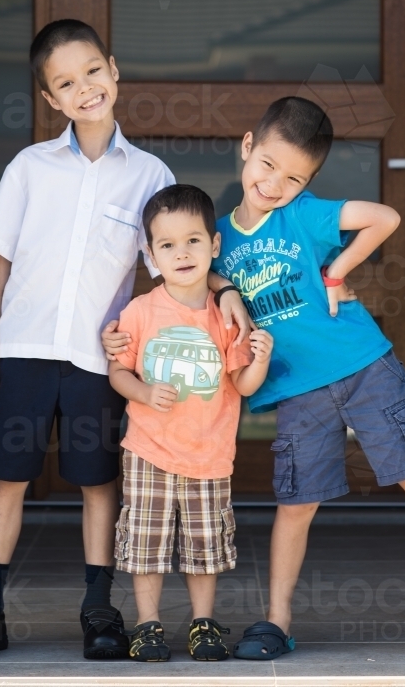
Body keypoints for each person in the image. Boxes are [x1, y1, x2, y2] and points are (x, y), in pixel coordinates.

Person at [103, 95, 405, 664]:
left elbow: (384, 219)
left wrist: (337, 270)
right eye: (267, 165)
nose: (274, 184)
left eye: (294, 177)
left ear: (309, 182)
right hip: (295, 388)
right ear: (247, 148)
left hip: (363, 365)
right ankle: (278, 619)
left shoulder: (305, 215)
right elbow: (189, 277)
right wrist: (213, 296)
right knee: (298, 502)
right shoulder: (212, 236)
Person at [0, 20, 248, 662]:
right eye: (64, 83)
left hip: (95, 359)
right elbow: (0, 257)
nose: (83, 89)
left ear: (113, 70)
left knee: (97, 481)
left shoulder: (147, 173)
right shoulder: (30, 167)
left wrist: (224, 290)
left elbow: (176, 251)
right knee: (7, 476)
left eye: (90, 72)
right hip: (25, 347)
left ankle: (98, 608)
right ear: (51, 100)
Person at [109, 184, 273, 662]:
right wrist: (141, 391)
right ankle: (148, 625)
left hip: (209, 454)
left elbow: (242, 384)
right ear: (152, 254)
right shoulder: (140, 312)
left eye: (193, 241)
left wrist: (260, 358)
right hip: (148, 450)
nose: (181, 254)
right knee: (145, 542)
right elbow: (118, 370)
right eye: (167, 245)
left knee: (205, 546)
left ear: (214, 245)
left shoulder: (226, 316)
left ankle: (203, 624)